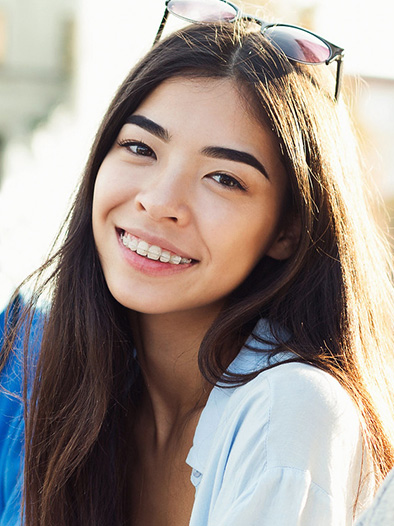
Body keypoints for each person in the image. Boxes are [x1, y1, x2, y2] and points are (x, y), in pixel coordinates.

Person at [1, 1, 394, 524]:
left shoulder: (290, 414)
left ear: (287, 230)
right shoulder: (45, 375)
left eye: (225, 179)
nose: (159, 201)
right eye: (140, 147)